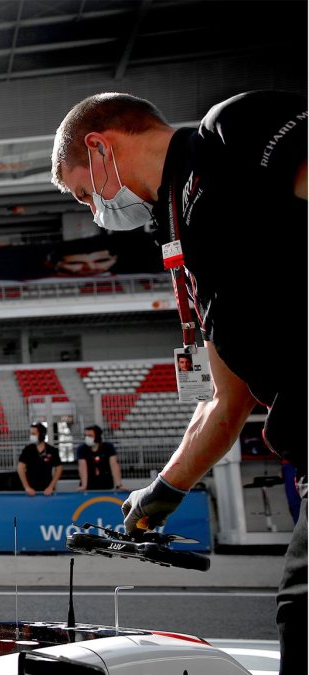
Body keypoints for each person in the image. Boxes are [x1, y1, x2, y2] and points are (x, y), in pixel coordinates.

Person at [50, 90, 306, 674]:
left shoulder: (229, 132)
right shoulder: (181, 237)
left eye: (86, 191)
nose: (96, 209)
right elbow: (227, 397)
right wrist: (163, 491)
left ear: (100, 145)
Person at [17, 423, 62, 496]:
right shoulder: (27, 450)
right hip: (31, 491)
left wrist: (51, 487)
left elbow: (59, 468)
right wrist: (27, 487)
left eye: (34, 434)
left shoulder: (52, 450)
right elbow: (20, 468)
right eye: (31, 434)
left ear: (42, 435)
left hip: (47, 491)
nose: (31, 436)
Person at [75, 424, 123, 491]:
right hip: (89, 484)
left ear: (97, 436)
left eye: (90, 435)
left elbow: (114, 465)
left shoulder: (108, 447)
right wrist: (84, 486)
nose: (87, 438)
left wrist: (119, 485)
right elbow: (82, 467)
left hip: (106, 483)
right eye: (86, 435)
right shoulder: (82, 449)